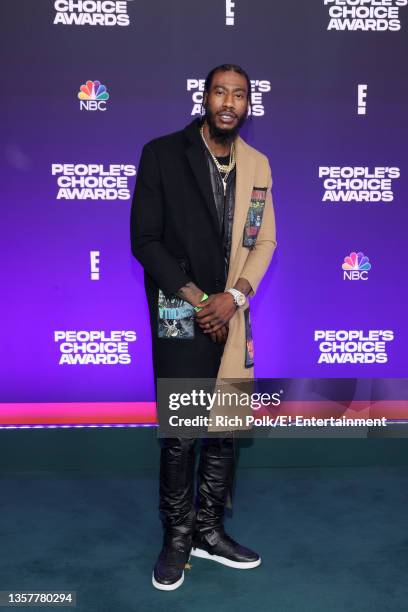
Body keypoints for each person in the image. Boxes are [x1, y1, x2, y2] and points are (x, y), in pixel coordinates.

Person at [130, 63, 277, 590]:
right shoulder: (163, 153)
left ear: (248, 105)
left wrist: (233, 298)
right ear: (205, 97)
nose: (229, 102)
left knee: (225, 430)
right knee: (181, 434)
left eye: (240, 95)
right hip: (179, 311)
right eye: (221, 92)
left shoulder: (257, 164)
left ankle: (209, 533)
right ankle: (176, 538)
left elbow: (264, 241)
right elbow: (145, 241)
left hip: (233, 313)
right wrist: (200, 301)